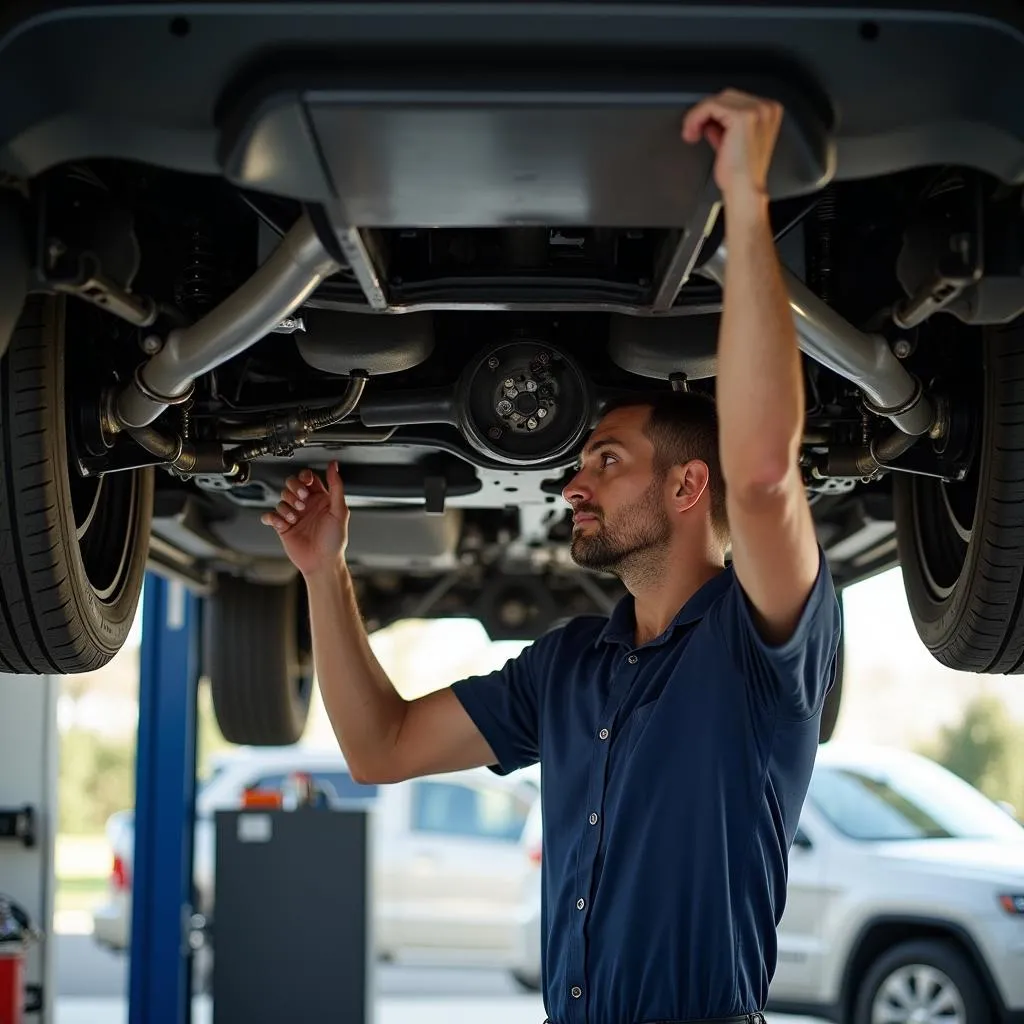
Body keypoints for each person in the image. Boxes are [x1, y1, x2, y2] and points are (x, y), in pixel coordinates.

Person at [261, 88, 842, 1024]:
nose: (572, 487)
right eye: (579, 467)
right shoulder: (568, 670)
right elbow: (380, 749)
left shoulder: (760, 648)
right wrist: (324, 571)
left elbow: (767, 473)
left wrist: (744, 198)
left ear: (691, 487)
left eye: (605, 462)